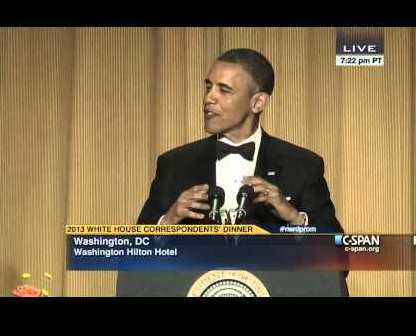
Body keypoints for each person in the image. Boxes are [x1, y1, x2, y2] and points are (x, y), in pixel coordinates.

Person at [137, 48, 343, 233]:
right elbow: (134, 257)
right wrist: (169, 220)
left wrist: (295, 218)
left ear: (257, 102)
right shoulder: (174, 164)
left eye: (224, 90)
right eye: (208, 87)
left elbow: (340, 259)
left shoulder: (302, 166)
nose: (209, 98)